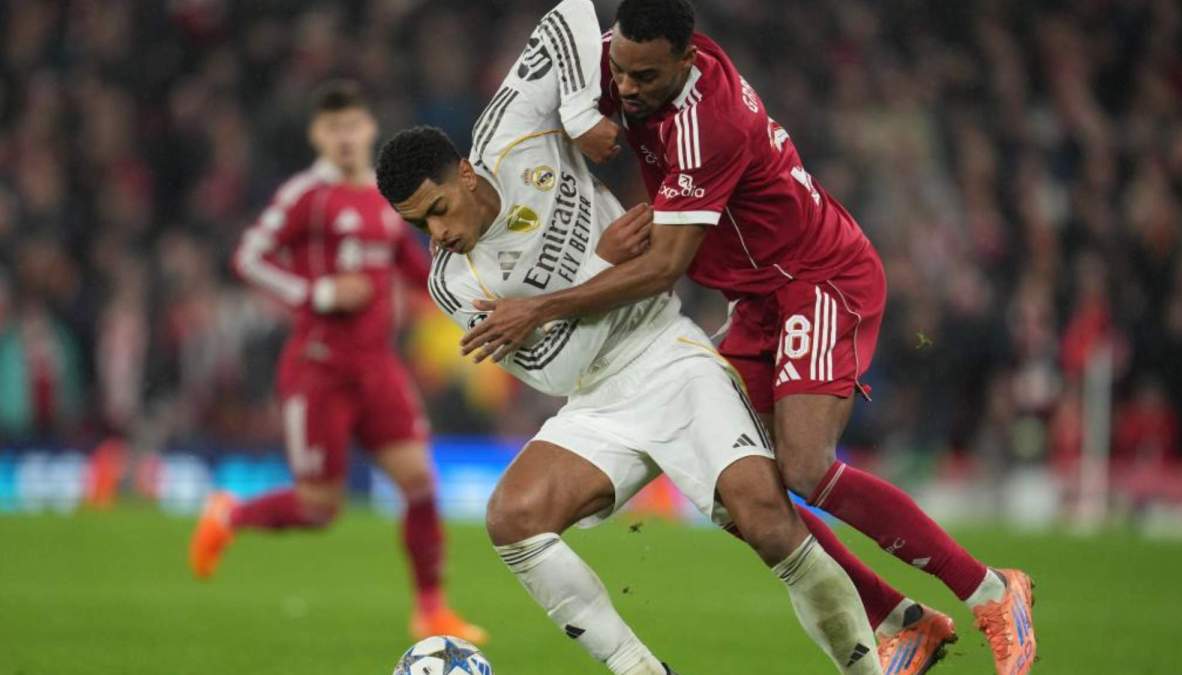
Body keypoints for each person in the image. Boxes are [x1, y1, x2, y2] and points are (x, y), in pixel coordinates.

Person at [458, 1, 1037, 674]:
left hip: (817, 280)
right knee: (744, 494)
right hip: (757, 296)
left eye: (647, 75)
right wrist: (584, 114)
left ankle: (992, 589)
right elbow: (568, 19)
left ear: (686, 57)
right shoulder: (621, 67)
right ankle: (900, 618)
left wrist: (542, 308)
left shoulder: (710, 121)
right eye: (621, 69)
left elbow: (666, 266)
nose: (630, 88)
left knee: (804, 467)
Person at [376, 3, 883, 673]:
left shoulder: (510, 129)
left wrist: (582, 115)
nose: (436, 233)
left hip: (665, 349)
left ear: (464, 174)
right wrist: (603, 263)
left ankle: (867, 668)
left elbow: (571, 16)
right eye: (420, 225)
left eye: (437, 209)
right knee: (511, 517)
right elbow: (555, 369)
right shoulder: (454, 282)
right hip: (595, 397)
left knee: (765, 518)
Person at [188, 80, 486, 645]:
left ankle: (430, 610)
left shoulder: (384, 199)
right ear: (319, 136)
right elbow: (249, 257)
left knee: (420, 481)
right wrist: (318, 293)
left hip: (377, 368)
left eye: (354, 126)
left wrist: (465, 308)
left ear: (368, 130)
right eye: (334, 129)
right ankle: (227, 515)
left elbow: (409, 267)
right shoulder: (306, 196)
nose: (346, 138)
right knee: (319, 508)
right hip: (319, 368)